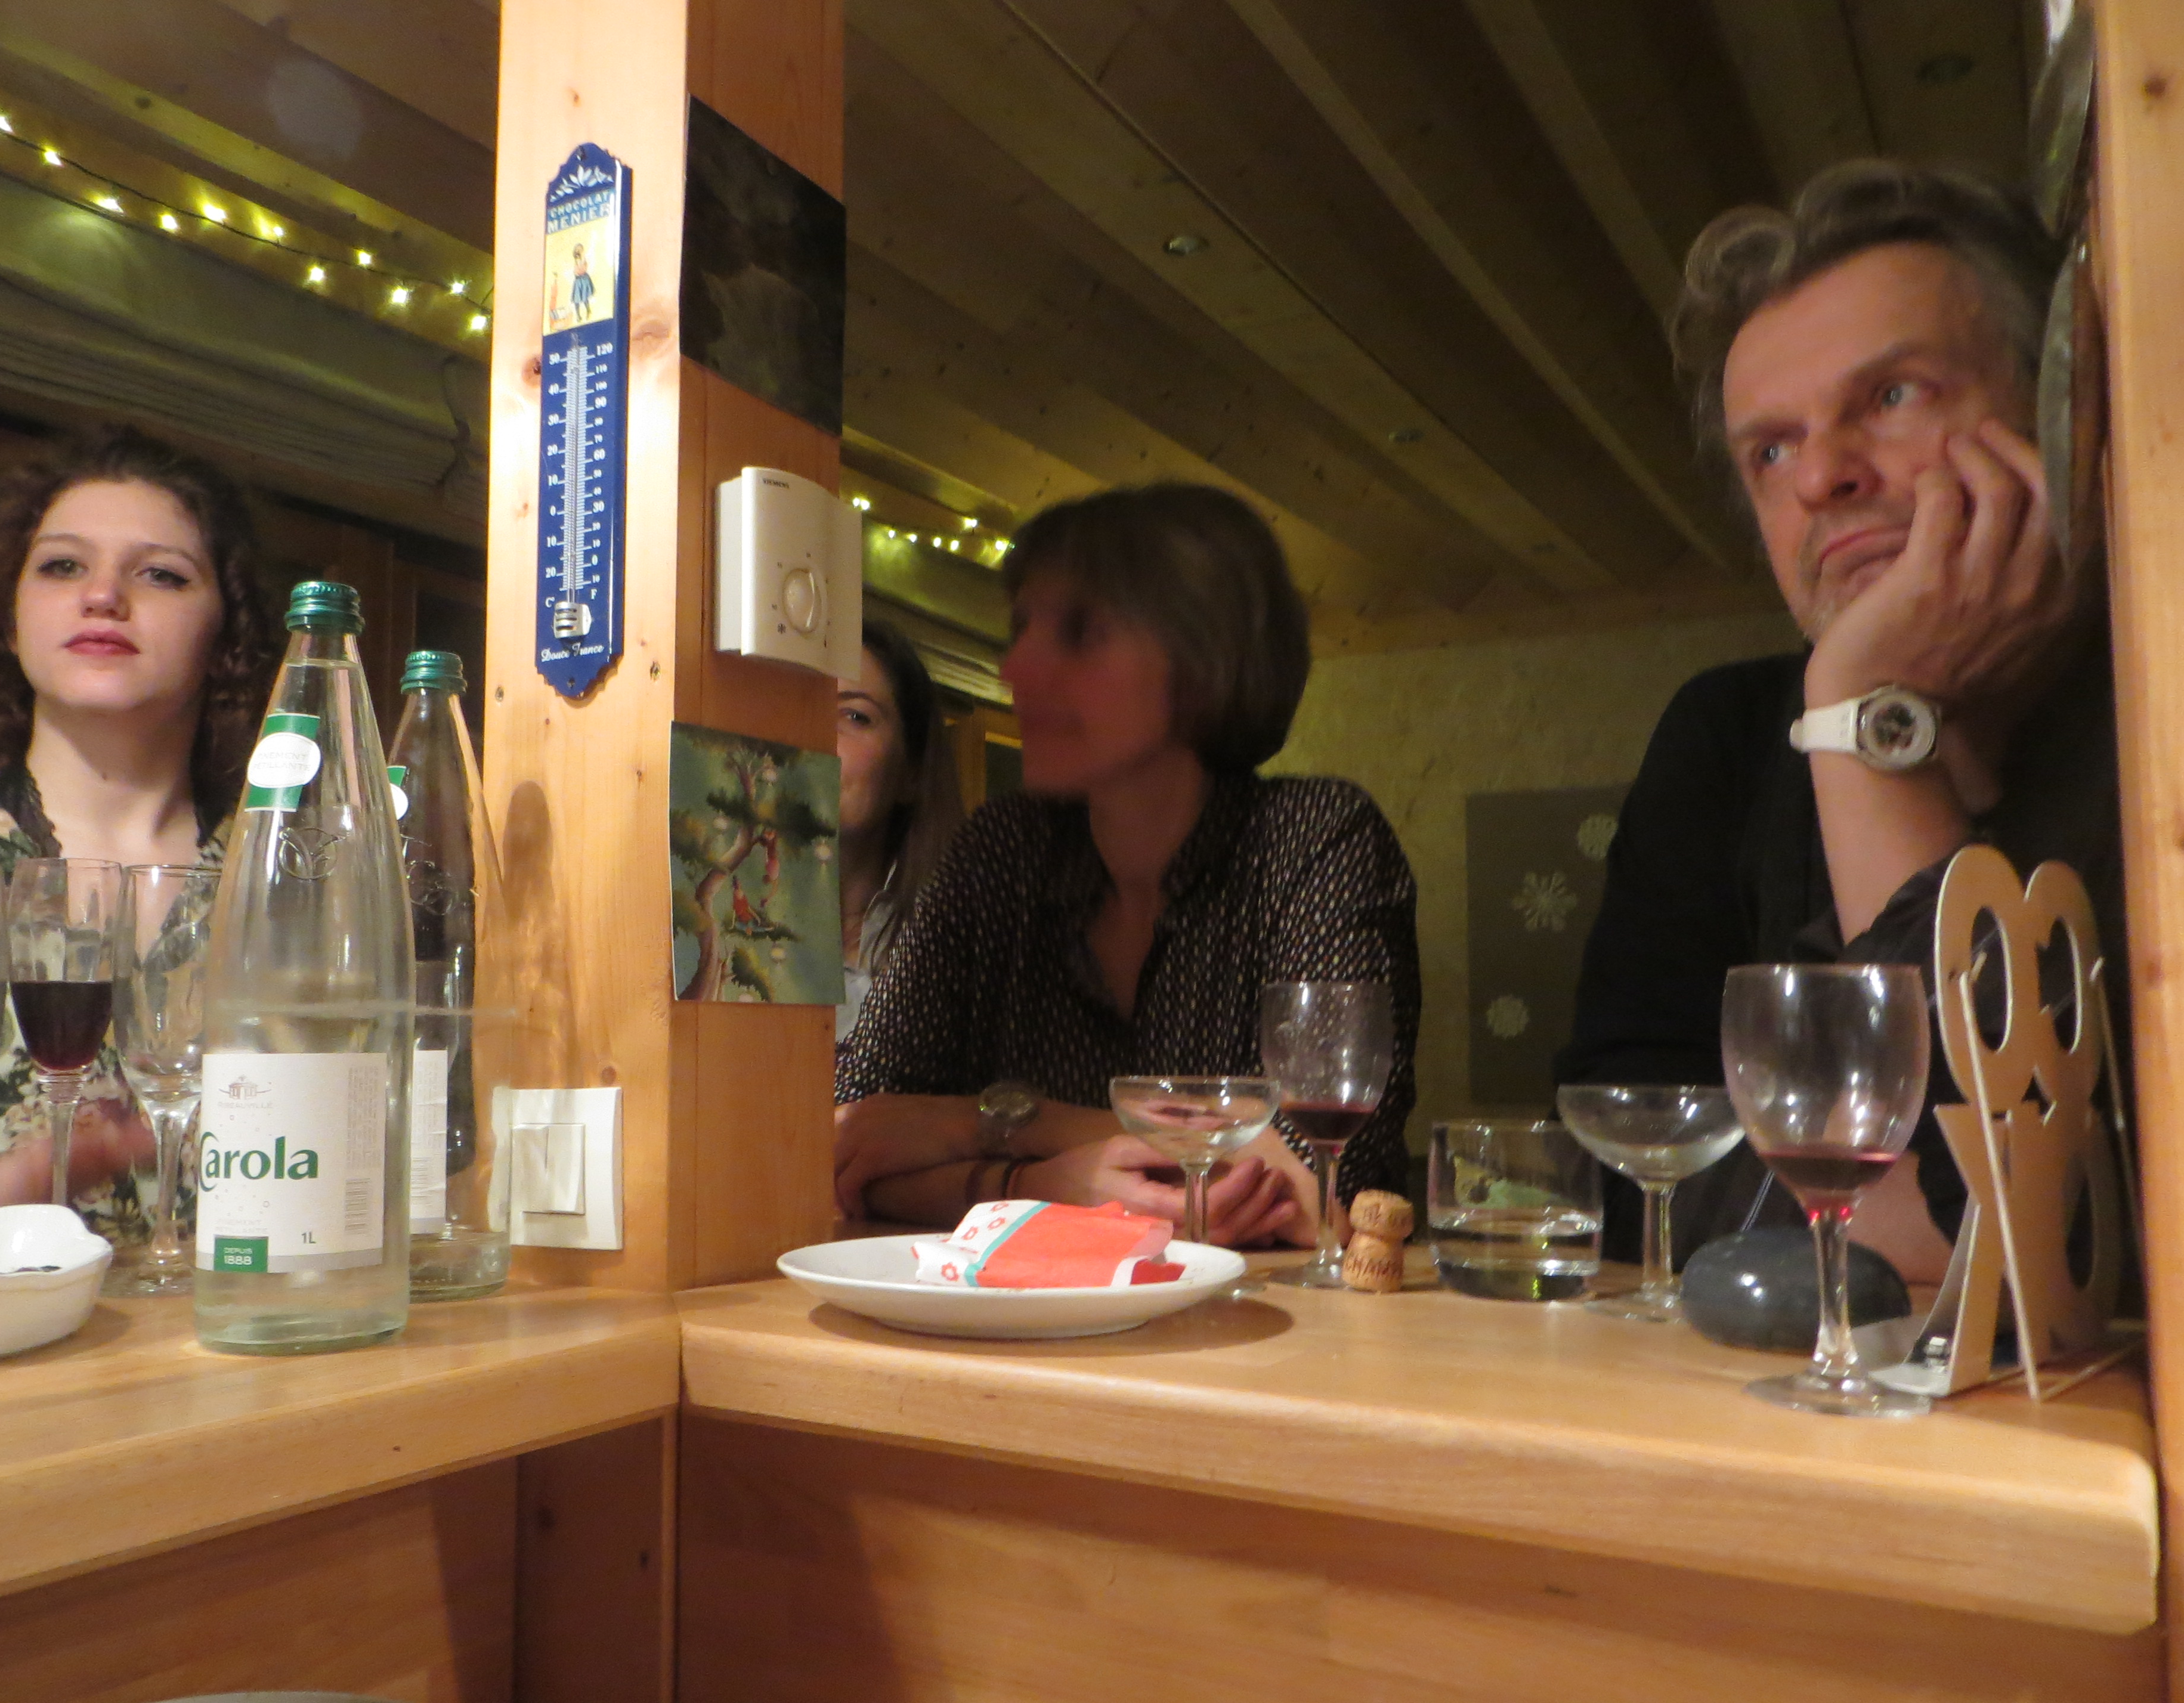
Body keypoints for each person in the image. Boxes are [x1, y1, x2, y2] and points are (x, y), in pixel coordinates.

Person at [1558, 162, 2117, 1284]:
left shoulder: (2154, 729)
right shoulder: (1727, 736)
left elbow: (2036, 1243)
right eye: (1771, 450)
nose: (1819, 477)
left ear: (2065, 410)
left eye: (1894, 395)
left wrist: (1866, 724)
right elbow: (1630, 1162)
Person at [835, 483, 1421, 1246]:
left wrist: (993, 1124)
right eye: (1022, 630)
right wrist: (1044, 1186)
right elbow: (855, 1141)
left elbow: (1320, 1182)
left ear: (1203, 662)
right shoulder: (1000, 850)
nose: (1016, 669)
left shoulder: (1313, 837)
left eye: (1080, 633)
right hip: (1024, 1313)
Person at [0, 423, 279, 1243]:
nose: (104, 595)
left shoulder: (285, 878)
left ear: (228, 635)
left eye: (161, 574)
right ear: (11, 619)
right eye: (63, 566)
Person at [835, 619, 962, 1045]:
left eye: (855, 716)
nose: (815, 732)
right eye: (800, 705)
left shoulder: (954, 954)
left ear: (911, 770)